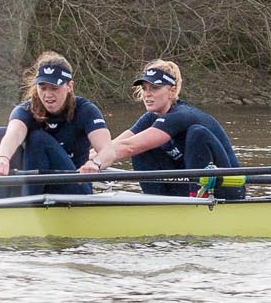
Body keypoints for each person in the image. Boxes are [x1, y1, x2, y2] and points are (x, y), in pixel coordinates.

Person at [88, 59, 244, 199]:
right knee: (141, 148)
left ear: (172, 91)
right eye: (144, 88)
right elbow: (111, 146)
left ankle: (197, 201)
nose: (147, 95)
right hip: (188, 184)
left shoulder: (182, 115)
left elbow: (128, 148)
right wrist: (78, 162)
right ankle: (157, 202)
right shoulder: (150, 118)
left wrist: (96, 164)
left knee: (197, 133)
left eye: (154, 88)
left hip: (227, 189)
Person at [0, 53, 111, 199]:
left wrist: (95, 163)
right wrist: (2, 158)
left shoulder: (86, 110)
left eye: (54, 88)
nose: (48, 95)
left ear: (70, 86)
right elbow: (13, 133)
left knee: (38, 138)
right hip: (35, 188)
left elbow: (108, 149)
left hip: (74, 186)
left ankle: (28, 206)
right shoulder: (26, 110)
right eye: (43, 87)